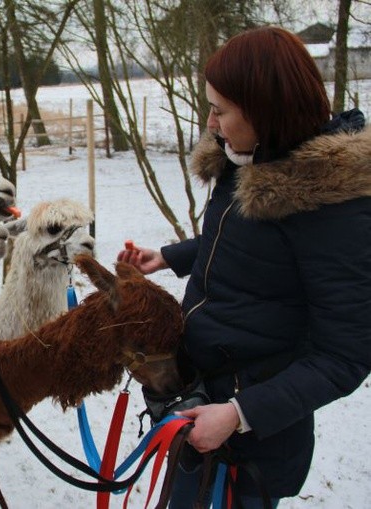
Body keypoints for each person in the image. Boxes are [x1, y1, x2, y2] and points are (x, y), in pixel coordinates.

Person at [117, 26, 371, 508]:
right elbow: (244, 241)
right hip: (197, 407)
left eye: (221, 109)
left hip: (251, 443)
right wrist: (172, 257)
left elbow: (346, 356)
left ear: (265, 111)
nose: (211, 123)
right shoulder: (247, 159)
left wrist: (239, 413)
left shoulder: (333, 208)